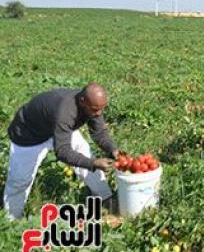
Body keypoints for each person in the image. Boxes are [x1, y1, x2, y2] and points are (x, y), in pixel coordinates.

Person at [3, 84, 120, 220]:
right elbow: (63, 151)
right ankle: (11, 220)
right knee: (20, 181)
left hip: (57, 129)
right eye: (95, 109)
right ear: (82, 101)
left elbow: (99, 132)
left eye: (102, 108)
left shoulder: (93, 104)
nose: (99, 113)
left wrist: (112, 150)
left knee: (85, 153)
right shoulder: (65, 112)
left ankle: (106, 200)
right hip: (28, 135)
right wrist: (93, 163)